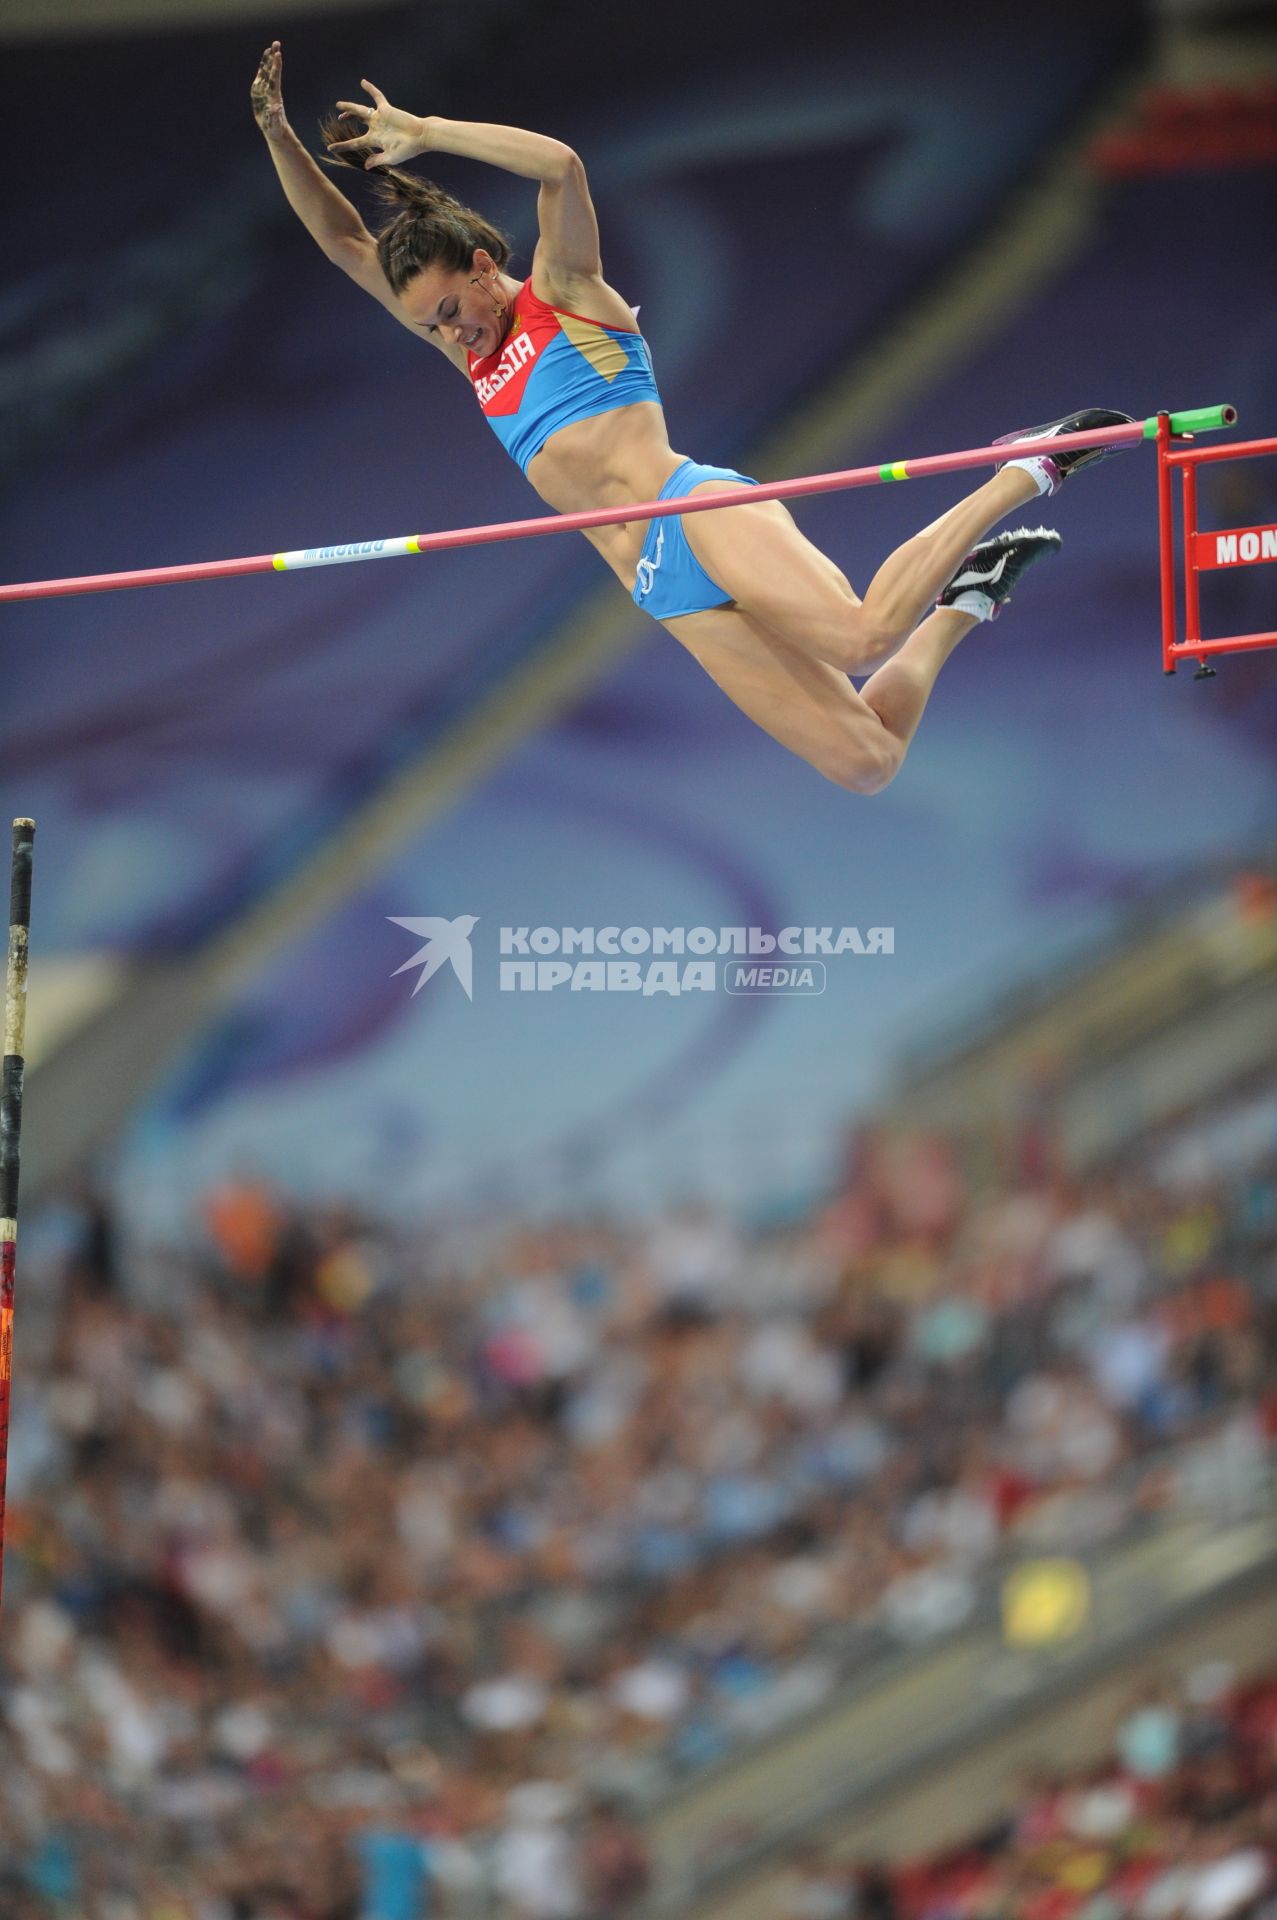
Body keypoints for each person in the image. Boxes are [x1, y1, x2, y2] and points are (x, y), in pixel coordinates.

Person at [251, 43, 1132, 795]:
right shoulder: (466, 351)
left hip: (693, 510)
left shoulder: (569, 296)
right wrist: (279, 138)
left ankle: (1021, 470)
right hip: (657, 587)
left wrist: (431, 134)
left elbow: (560, 166)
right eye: (431, 326)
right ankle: (967, 599)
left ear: (484, 266)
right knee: (864, 761)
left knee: (862, 635)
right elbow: (343, 243)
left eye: (452, 309)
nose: (451, 334)